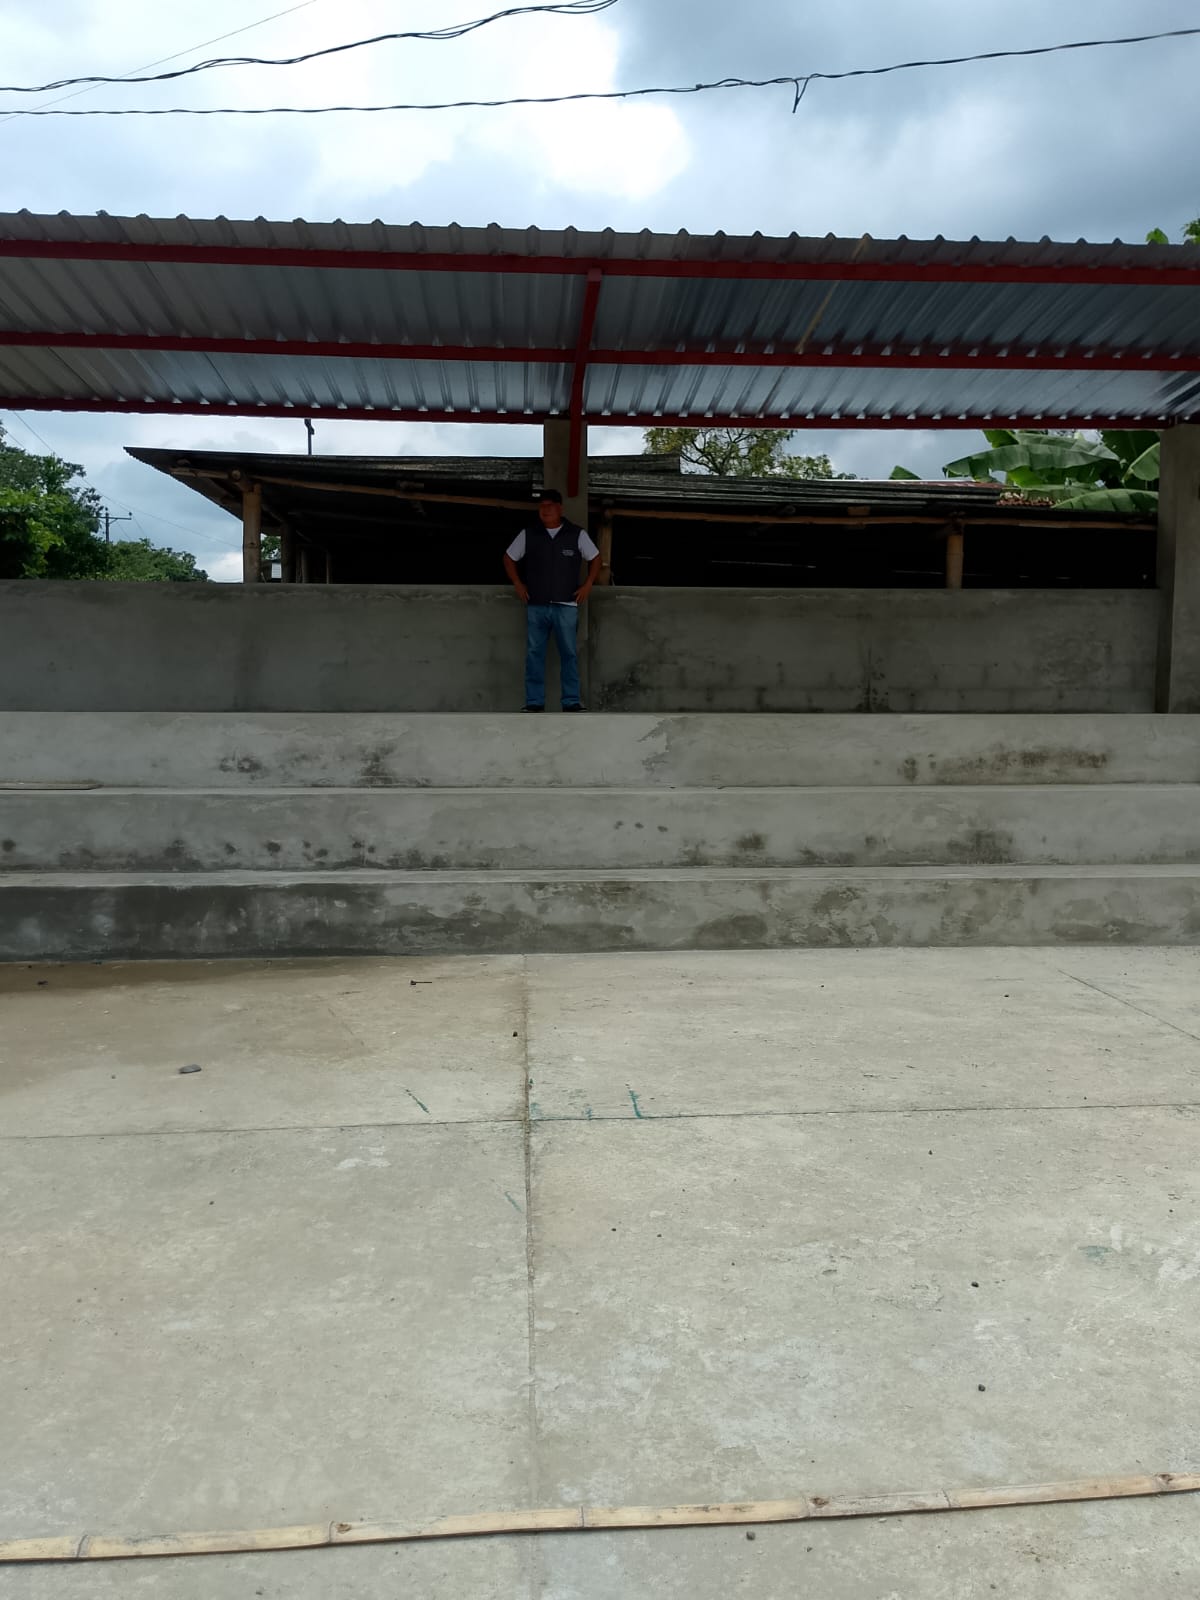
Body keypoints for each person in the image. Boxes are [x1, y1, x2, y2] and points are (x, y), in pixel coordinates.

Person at [503, 488, 602, 712]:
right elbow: (508, 558)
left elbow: (596, 558)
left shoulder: (576, 534)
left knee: (569, 654)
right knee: (534, 654)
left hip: (566, 605)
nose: (545, 510)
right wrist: (518, 583)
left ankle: (571, 701)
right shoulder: (529, 534)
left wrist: (588, 585)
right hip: (536, 605)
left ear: (560, 509)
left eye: (549, 506)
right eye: (542, 506)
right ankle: (534, 702)